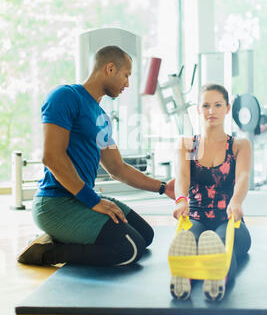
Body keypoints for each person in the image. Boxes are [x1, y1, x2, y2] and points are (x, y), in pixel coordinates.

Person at [18, 45, 173, 268]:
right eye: (126, 75)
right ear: (110, 69)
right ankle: (49, 251)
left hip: (80, 200)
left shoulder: (101, 117)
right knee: (129, 249)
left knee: (145, 235)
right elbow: (51, 157)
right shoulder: (65, 97)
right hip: (55, 205)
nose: (127, 84)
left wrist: (163, 187)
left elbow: (117, 168)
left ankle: (67, 236)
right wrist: (93, 201)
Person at [168, 83, 252, 302]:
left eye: (217, 105)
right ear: (198, 109)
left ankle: (216, 279)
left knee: (222, 243)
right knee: (189, 240)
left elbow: (243, 177)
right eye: (205, 105)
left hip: (229, 218)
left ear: (227, 108)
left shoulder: (239, 145)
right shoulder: (188, 145)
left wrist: (236, 202)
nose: (211, 111)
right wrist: (180, 200)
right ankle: (183, 276)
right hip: (196, 216)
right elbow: (182, 178)